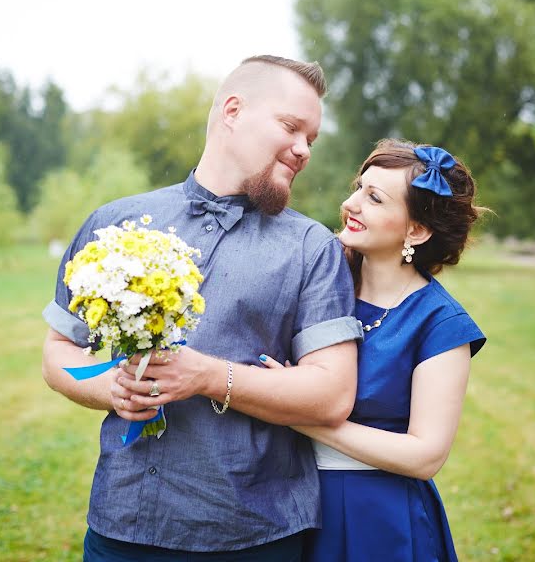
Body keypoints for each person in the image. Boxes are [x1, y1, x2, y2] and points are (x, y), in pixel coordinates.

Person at [41, 55, 363, 561]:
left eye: (312, 140)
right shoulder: (116, 222)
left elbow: (332, 393)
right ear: (233, 110)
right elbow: (59, 350)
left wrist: (209, 376)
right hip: (120, 527)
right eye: (291, 127)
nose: (303, 150)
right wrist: (112, 388)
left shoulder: (311, 247)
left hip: (257, 535)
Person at [260, 138, 487, 561]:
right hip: (286, 503)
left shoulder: (440, 324)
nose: (351, 204)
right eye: (359, 188)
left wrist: (298, 414)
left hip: (376, 518)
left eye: (374, 198)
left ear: (416, 230)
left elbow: (425, 456)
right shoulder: (320, 284)